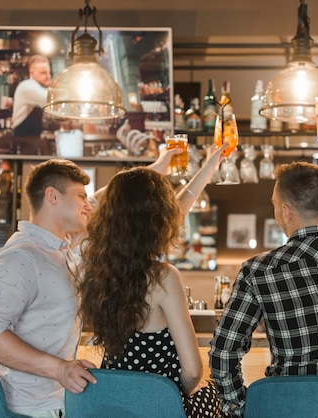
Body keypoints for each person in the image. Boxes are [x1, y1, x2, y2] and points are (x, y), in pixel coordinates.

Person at [208, 112, 318, 416]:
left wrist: (241, 409)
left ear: (286, 212)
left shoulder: (259, 270)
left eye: (274, 204)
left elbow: (223, 354)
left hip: (284, 410)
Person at [77, 145, 227, 418]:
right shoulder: (163, 277)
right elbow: (193, 371)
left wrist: (203, 167)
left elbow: (104, 201)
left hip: (114, 403)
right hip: (159, 406)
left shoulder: (97, 269)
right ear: (161, 221)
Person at [0, 159, 98, 417]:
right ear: (52, 195)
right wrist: (59, 369)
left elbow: (112, 196)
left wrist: (163, 163)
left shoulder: (61, 251)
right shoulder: (22, 256)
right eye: (81, 196)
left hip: (53, 404)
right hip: (22, 409)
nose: (87, 205)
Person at [11, 54, 52, 154]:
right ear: (31, 72)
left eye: (48, 72)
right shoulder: (28, 86)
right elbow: (51, 100)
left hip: (31, 142)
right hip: (22, 143)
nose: (48, 77)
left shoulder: (38, 87)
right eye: (43, 73)